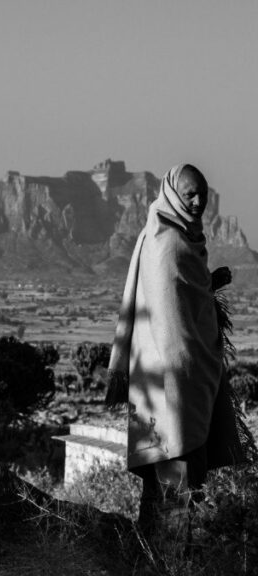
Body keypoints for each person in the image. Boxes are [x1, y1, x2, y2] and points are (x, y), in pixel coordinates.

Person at [105, 163, 254, 538]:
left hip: (173, 383)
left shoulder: (180, 236)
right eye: (190, 194)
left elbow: (186, 301)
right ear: (172, 193)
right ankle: (169, 558)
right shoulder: (167, 243)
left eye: (202, 193)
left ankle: (156, 553)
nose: (199, 201)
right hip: (173, 382)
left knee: (173, 484)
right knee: (177, 478)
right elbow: (174, 330)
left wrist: (208, 287)